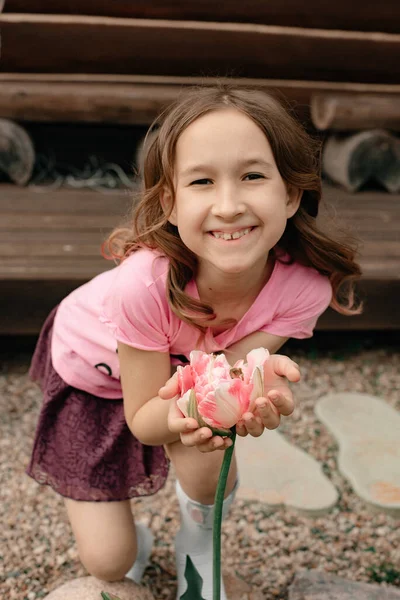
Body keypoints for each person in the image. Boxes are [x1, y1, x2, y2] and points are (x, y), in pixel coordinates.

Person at [27, 83, 361, 600]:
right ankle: (124, 535)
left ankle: (200, 542)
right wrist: (202, 405)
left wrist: (250, 389)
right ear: (172, 204)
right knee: (109, 562)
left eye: (253, 176)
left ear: (291, 193)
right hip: (95, 372)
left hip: (182, 368)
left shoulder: (305, 289)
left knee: (212, 462)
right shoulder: (143, 284)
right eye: (202, 181)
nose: (229, 205)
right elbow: (144, 420)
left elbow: (222, 374)